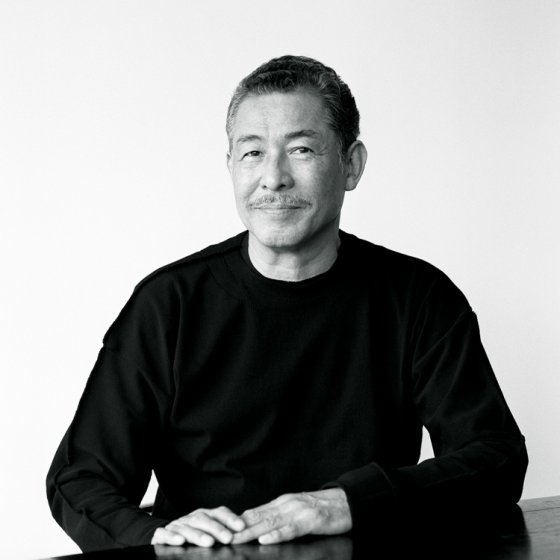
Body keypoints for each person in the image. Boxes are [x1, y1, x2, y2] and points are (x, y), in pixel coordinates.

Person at [47, 55, 528, 552]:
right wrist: (154, 538)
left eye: (301, 149)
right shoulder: (168, 303)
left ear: (351, 165)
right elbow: (79, 479)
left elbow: (496, 457)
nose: (273, 177)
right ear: (230, 166)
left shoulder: (419, 297)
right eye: (252, 153)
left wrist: (349, 502)